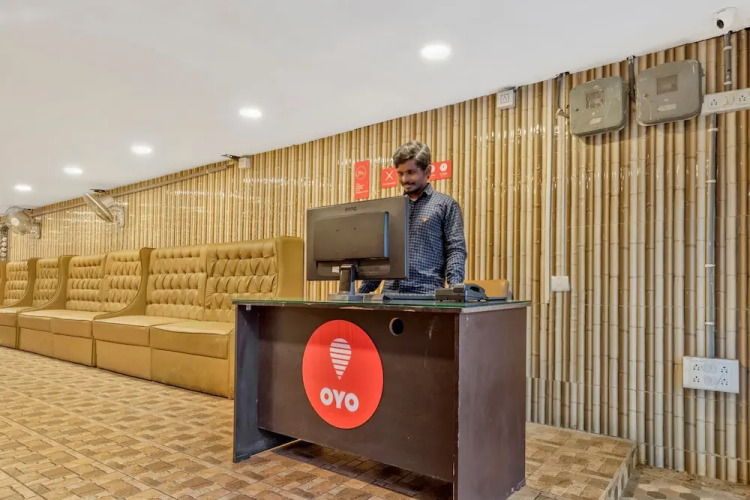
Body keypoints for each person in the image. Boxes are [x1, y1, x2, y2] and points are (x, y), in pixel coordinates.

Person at [358, 140, 467, 295]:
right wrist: (360, 293)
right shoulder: (391, 209)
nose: (404, 179)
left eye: (411, 172)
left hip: (427, 296)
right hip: (390, 296)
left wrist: (455, 288)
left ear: (427, 171)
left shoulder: (446, 205)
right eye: (400, 173)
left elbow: (455, 249)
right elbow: (381, 257)